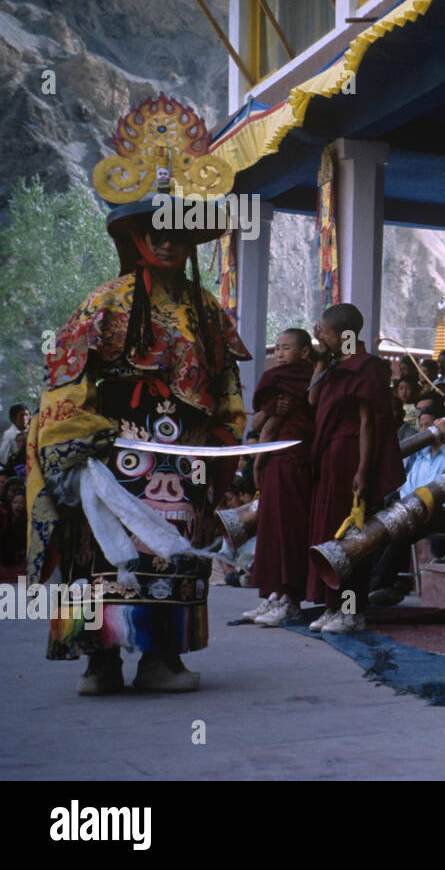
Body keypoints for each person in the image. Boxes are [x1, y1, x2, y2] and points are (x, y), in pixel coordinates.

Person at [27, 159, 248, 693]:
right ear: (138, 237)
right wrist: (80, 437)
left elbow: (226, 384)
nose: (168, 244)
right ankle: (100, 662)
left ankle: (160, 659)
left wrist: (224, 436)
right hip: (115, 447)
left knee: (173, 549)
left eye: (178, 235)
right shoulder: (107, 300)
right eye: (157, 233)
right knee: (100, 548)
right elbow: (66, 375)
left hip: (186, 457)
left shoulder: (208, 311)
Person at [303, 303, 405, 634]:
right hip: (328, 458)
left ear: (344, 335)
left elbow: (367, 424)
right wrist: (321, 356)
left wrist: (362, 469)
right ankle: (332, 606)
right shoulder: (334, 365)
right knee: (327, 532)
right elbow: (312, 399)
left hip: (350, 457)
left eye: (324, 332)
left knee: (351, 538)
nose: (320, 336)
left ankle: (352, 611)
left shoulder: (366, 367)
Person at [243, 328, 316, 627]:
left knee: (289, 530)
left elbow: (269, 424)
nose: (280, 353)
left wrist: (259, 459)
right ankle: (273, 593)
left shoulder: (303, 377)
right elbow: (259, 420)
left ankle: (290, 599)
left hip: (292, 460)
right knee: (271, 528)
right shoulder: (280, 378)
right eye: (278, 348)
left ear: (304, 352)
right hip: (278, 460)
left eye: (287, 348)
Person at [369, 400, 445, 605]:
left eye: (429, 425)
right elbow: (407, 490)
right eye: (422, 426)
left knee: (406, 526)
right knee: (382, 525)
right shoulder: (420, 456)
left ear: (444, 424)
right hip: (415, 510)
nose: (425, 431)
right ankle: (389, 584)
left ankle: (379, 586)